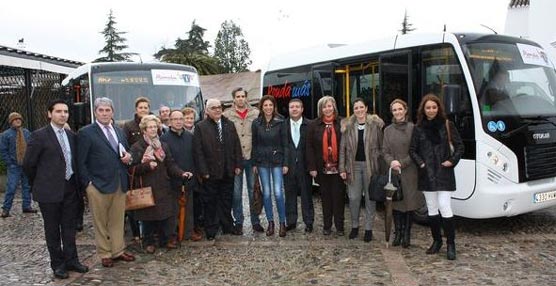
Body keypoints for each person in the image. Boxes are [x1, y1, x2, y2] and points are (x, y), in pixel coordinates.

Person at [22, 100, 89, 279]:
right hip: (49, 191)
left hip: (70, 188)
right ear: (50, 114)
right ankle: (58, 264)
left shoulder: (71, 136)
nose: (63, 114)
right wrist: (41, 182)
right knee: (52, 229)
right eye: (58, 111)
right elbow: (29, 164)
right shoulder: (39, 136)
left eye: (66, 112)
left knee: (69, 227)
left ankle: (72, 260)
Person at [77, 97, 136, 268]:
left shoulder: (119, 130)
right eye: (101, 110)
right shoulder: (86, 132)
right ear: (95, 112)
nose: (104, 113)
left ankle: (118, 250)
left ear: (112, 112)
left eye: (107, 110)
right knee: (100, 221)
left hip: (119, 182)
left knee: (117, 220)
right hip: (97, 185)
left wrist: (128, 157)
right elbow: (81, 162)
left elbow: (124, 152)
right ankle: (104, 252)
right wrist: (88, 184)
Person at [409, 94, 464, 260]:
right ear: (423, 110)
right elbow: (412, 150)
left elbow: (460, 146)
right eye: (428, 108)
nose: (431, 110)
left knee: (444, 206)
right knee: (432, 209)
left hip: (444, 173)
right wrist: (421, 164)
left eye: (434, 107)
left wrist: (452, 161)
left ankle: (451, 244)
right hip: (427, 175)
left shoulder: (447, 125)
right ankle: (436, 241)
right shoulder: (418, 128)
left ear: (438, 108)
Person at [130, 115, 192, 253]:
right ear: (144, 130)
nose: (153, 130)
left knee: (166, 215)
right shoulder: (137, 147)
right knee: (148, 217)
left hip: (163, 185)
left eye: (154, 127)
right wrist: (146, 166)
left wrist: (181, 173)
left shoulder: (163, 145)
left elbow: (170, 164)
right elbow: (132, 168)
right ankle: (149, 242)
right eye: (149, 127)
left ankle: (166, 240)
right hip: (147, 186)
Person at [193, 99, 242, 240]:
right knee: (210, 202)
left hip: (228, 170)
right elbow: (198, 151)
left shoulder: (229, 124)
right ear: (207, 111)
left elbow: (236, 146)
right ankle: (211, 229)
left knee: (227, 200)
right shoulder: (201, 127)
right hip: (210, 172)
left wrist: (238, 165)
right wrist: (204, 171)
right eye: (213, 108)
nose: (217, 110)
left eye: (219, 107)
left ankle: (227, 226)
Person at [339, 98, 384, 242]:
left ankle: (369, 228)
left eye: (361, 107)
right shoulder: (348, 126)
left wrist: (379, 163)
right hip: (353, 166)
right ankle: (354, 226)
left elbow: (382, 146)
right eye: (356, 108)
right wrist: (342, 168)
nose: (358, 110)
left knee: (371, 198)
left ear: (366, 108)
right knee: (353, 198)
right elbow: (342, 149)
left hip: (371, 166)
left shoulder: (375, 125)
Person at [383, 99, 424, 248]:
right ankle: (398, 233)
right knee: (396, 204)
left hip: (410, 171)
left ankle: (407, 234)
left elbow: (416, 151)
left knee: (409, 205)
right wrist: (391, 162)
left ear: (405, 110)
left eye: (400, 109)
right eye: (394, 110)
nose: (398, 112)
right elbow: (385, 151)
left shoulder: (413, 128)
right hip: (394, 172)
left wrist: (402, 162)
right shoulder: (387, 130)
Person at [222, 87, 263, 234]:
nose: (240, 99)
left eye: (242, 96)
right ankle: (238, 221)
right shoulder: (226, 115)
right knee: (236, 193)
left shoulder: (256, 113)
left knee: (254, 191)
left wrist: (258, 160)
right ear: (233, 98)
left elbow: (259, 137)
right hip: (236, 159)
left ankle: (255, 221)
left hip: (251, 158)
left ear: (246, 98)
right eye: (237, 96)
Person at [160, 110, 201, 242]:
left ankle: (189, 232)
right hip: (171, 180)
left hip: (188, 178)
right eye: (175, 119)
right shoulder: (164, 139)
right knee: (172, 210)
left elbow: (195, 156)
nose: (178, 121)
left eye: (180, 119)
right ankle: (172, 235)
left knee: (189, 208)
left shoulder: (190, 137)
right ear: (170, 121)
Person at [306, 96, 345, 236]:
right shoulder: (313, 125)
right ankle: (327, 226)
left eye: (330, 106)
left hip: (339, 168)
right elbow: (309, 147)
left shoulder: (342, 123)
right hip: (321, 168)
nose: (327, 109)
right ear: (320, 109)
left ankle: (340, 226)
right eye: (324, 106)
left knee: (339, 198)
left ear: (334, 107)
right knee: (325, 198)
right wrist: (312, 168)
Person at [252, 95, 288, 237]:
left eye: (270, 105)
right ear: (262, 107)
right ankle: (271, 222)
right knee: (266, 193)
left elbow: (285, 144)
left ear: (274, 107)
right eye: (265, 105)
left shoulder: (281, 121)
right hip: (262, 162)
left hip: (277, 161)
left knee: (278, 192)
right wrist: (254, 162)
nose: (268, 108)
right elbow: (254, 144)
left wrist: (285, 163)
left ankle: (282, 223)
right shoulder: (256, 123)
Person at [283, 99, 314, 233]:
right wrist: (283, 164)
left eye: (297, 107)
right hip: (288, 166)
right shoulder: (283, 125)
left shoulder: (310, 125)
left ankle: (308, 222)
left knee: (306, 195)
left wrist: (312, 166)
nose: (294, 109)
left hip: (304, 165)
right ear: (288, 109)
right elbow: (281, 146)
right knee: (290, 195)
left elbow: (313, 148)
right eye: (291, 107)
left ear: (302, 109)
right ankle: (291, 221)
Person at [123, 96, 150, 243]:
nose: (143, 110)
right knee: (135, 201)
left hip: (150, 168)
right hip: (135, 168)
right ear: (136, 109)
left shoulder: (152, 123)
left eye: (146, 107)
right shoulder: (129, 126)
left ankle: (149, 231)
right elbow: (126, 148)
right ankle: (136, 233)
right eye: (141, 107)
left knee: (149, 200)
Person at [0, 112, 35, 217]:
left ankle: (26, 206)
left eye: (19, 119)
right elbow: (3, 150)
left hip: (25, 164)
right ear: (11, 122)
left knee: (27, 186)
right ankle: (6, 209)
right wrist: (9, 163)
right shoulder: (6, 135)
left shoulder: (26, 132)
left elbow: (31, 147)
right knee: (11, 187)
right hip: (14, 165)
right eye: (15, 119)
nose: (18, 120)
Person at [181, 107, 203, 238]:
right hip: (184, 171)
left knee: (197, 202)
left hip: (196, 171)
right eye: (187, 118)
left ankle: (196, 225)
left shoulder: (197, 131)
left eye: (191, 118)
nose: (189, 120)